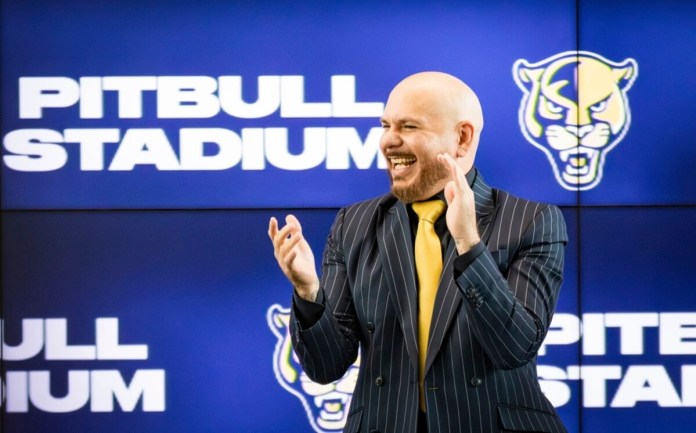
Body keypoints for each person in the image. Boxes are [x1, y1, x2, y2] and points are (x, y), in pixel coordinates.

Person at [268, 71, 568, 433]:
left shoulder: (532, 221)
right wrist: (308, 293)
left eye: (408, 127)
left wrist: (469, 246)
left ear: (462, 137)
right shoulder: (354, 224)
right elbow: (326, 367)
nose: (388, 141)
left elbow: (515, 348)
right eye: (385, 125)